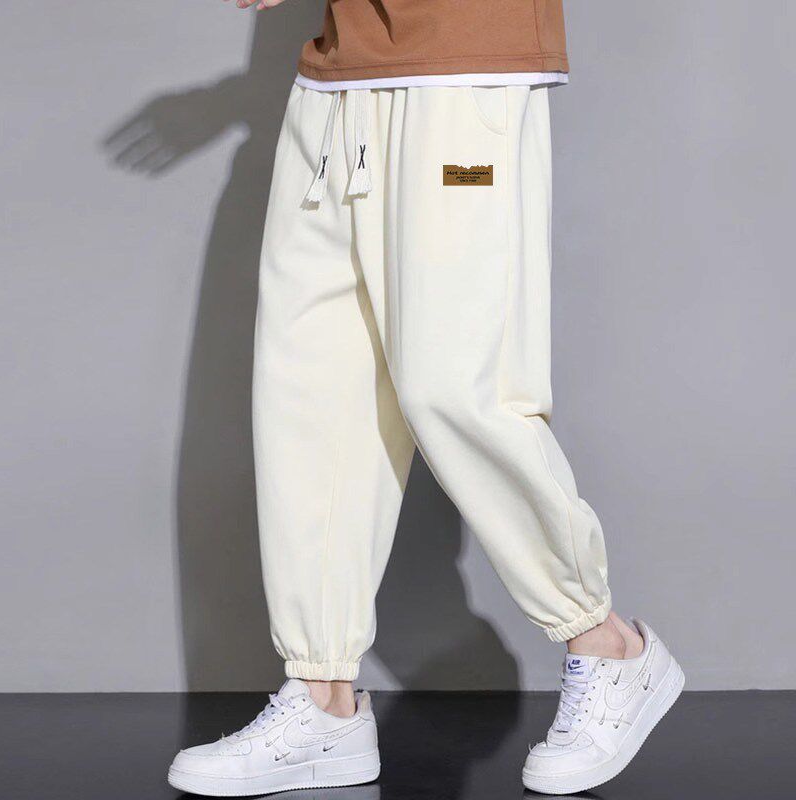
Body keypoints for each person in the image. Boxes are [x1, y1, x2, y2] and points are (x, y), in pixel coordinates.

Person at [167, 0, 683, 795]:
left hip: (461, 66)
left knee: (453, 385)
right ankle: (324, 698)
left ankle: (607, 644)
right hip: (336, 82)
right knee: (312, 398)